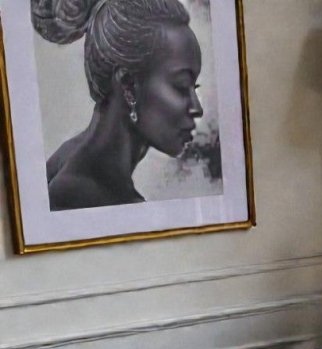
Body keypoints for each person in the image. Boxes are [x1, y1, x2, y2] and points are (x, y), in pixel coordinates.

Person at [33, 0, 204, 210]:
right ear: (129, 85)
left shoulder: (70, 157)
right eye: (181, 86)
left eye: (194, 87)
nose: (197, 108)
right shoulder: (92, 197)